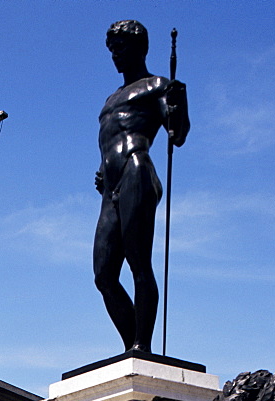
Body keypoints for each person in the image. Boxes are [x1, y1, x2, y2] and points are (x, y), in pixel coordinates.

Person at [93, 20, 189, 353]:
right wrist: (103, 172)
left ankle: (141, 345)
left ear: (139, 48)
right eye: (112, 49)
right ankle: (131, 346)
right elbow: (109, 141)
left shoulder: (156, 86)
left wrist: (179, 102)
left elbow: (177, 134)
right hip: (111, 186)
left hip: (137, 172)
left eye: (121, 48)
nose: (115, 55)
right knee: (103, 275)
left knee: (138, 262)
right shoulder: (110, 99)